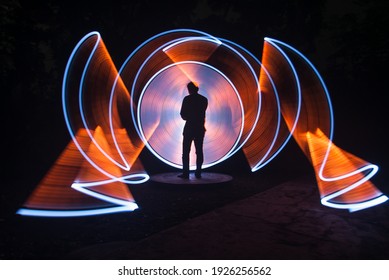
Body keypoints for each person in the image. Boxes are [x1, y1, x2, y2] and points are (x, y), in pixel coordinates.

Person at [178, 81, 208, 179]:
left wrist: (189, 117)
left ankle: (185, 173)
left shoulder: (187, 99)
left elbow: (183, 115)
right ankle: (198, 172)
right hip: (199, 128)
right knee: (199, 151)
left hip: (189, 128)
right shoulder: (204, 99)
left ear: (189, 89)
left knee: (186, 151)